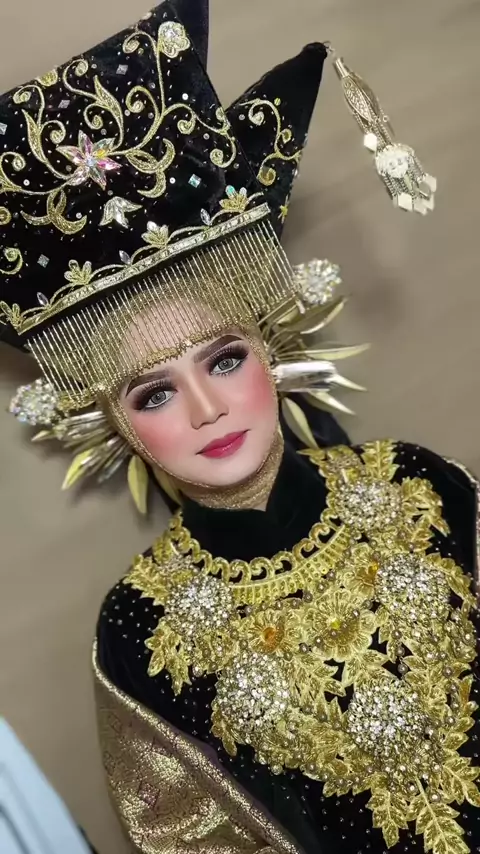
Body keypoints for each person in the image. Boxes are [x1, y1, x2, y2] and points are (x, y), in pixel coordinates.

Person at [1, 2, 478, 853]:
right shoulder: (140, 633)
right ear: (113, 424)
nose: (206, 409)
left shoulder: (420, 484)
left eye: (223, 360)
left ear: (271, 348)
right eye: (153, 394)